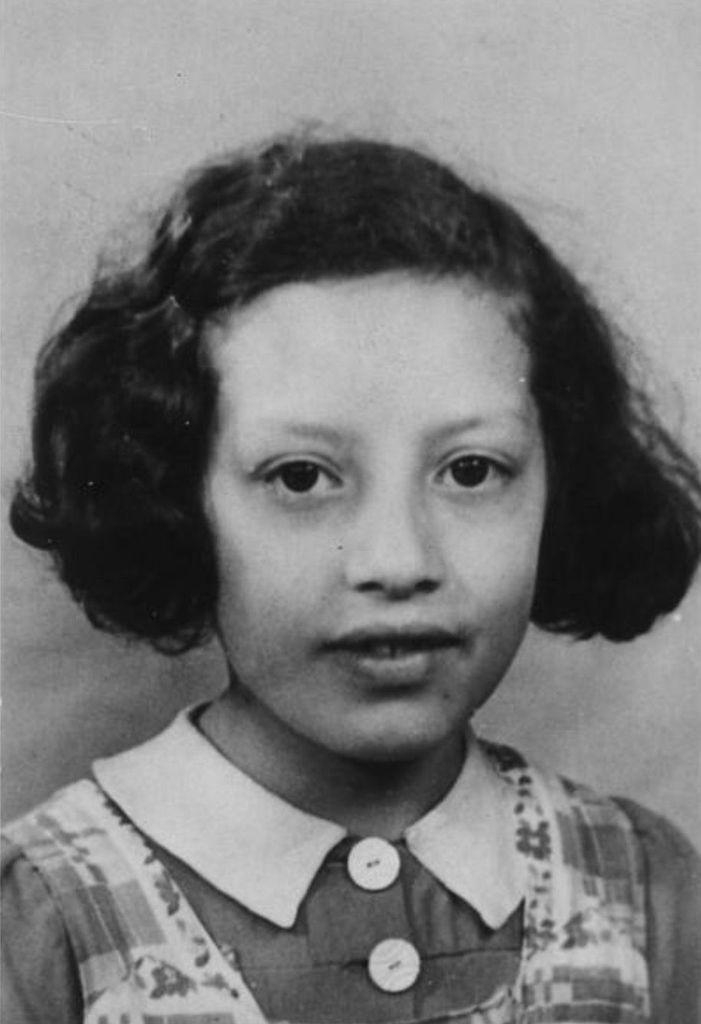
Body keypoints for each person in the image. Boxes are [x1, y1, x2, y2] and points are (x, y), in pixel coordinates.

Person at [2, 133, 700, 1024]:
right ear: (176, 498)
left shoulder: (645, 894)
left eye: (472, 470)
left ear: (559, 484)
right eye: (301, 478)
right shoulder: (45, 919)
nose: (398, 562)